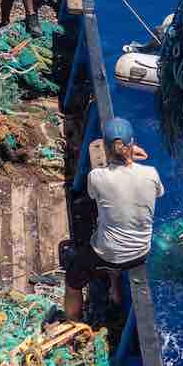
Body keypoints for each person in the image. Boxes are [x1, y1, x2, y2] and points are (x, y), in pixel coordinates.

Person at [64, 117, 163, 322]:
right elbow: (157, 193)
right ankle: (116, 290)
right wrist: (131, 159)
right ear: (133, 144)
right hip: (140, 253)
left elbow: (93, 194)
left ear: (107, 149)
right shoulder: (151, 174)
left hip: (107, 255)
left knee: (73, 281)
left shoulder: (97, 177)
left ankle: (71, 323)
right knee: (114, 230)